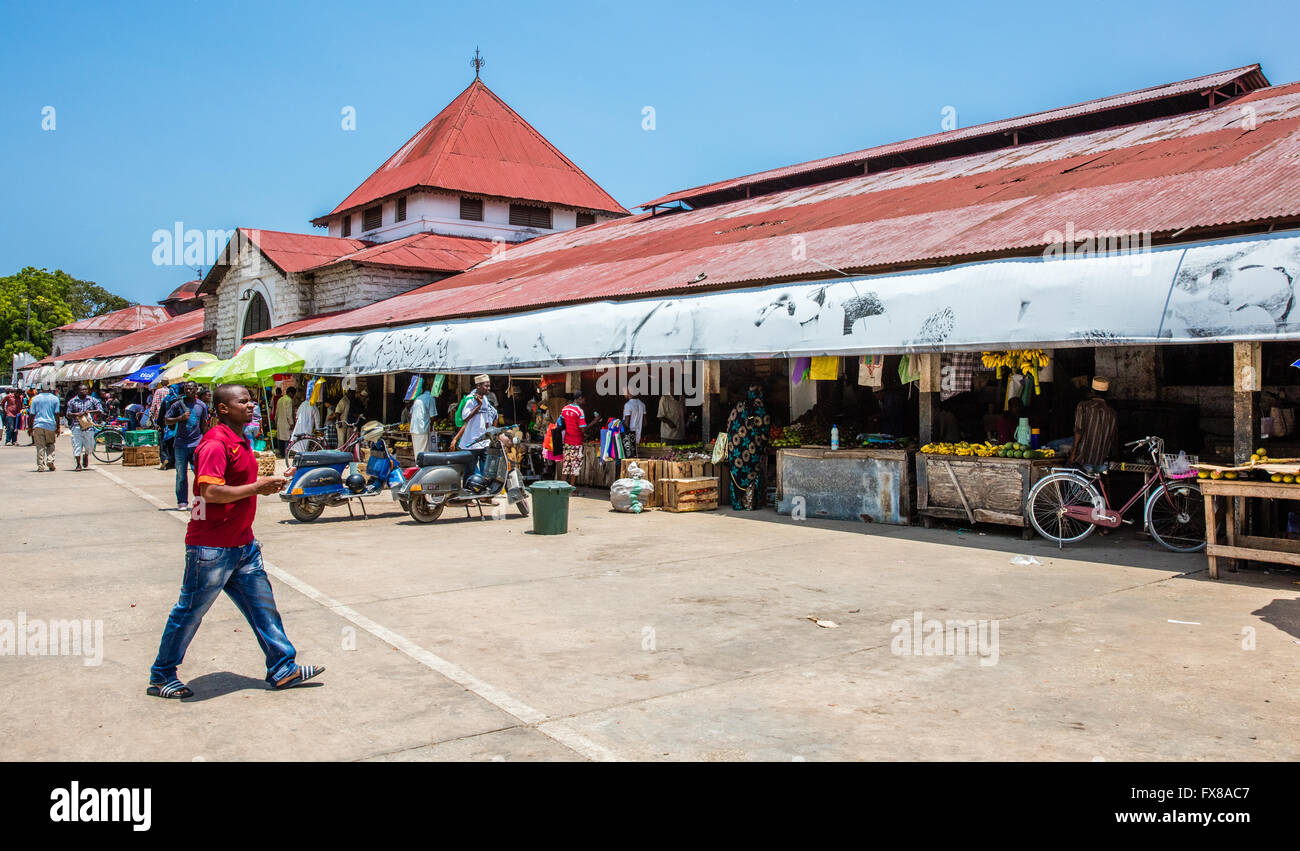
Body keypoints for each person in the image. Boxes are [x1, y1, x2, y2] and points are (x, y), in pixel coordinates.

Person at [147, 383, 323, 699]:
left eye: (251, 400)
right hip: (211, 548)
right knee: (189, 612)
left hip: (242, 545)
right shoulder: (215, 444)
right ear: (224, 408)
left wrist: (273, 480)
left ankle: (283, 669)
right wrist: (257, 487)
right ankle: (162, 676)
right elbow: (209, 492)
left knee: (263, 610)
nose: (251, 405)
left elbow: (241, 482)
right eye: (243, 401)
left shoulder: (240, 440)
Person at [724, 383, 771, 510]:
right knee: (752, 473)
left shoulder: (738, 406)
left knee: (738, 474)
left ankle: (738, 503)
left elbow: (729, 425)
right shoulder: (759, 407)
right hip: (753, 450)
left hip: (736, 450)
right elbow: (765, 427)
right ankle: (750, 503)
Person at [166, 382, 209, 511]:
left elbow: (203, 425)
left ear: (196, 390)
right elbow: (166, 420)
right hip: (180, 444)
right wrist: (180, 418)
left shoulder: (201, 405)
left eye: (191, 388)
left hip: (196, 444)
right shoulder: (177, 404)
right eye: (186, 388)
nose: (189, 390)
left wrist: (207, 440)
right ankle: (182, 501)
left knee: (200, 473)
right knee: (181, 475)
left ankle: (200, 500)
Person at [1069, 376, 1118, 472]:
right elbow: (1114, 439)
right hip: (1101, 461)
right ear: (1107, 393)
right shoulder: (1112, 413)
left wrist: (1073, 454)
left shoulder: (1083, 406)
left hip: (1083, 459)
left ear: (1092, 391)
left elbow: (1078, 430)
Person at [558, 390, 599, 486]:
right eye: (584, 399)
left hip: (567, 441)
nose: (584, 401)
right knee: (575, 466)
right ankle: (571, 489)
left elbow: (561, 422)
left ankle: (564, 489)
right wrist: (594, 421)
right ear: (580, 398)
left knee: (566, 465)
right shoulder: (579, 411)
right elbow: (583, 429)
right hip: (576, 442)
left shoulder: (565, 409)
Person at [66, 384, 105, 471]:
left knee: (90, 446)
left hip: (89, 426)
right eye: (82, 390)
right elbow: (68, 414)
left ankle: (86, 455)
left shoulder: (92, 400)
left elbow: (100, 410)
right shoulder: (72, 401)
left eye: (85, 389)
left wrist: (89, 412)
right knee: (77, 445)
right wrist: (76, 414)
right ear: (77, 391)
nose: (84, 391)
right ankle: (78, 464)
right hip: (76, 426)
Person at [29, 385, 61, 472]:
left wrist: (30, 427)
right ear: (50, 389)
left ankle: (40, 466)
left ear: (41, 389)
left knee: (40, 446)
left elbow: (32, 414)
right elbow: (57, 414)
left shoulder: (35, 399)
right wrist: (58, 427)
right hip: (50, 425)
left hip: (38, 425)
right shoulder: (55, 399)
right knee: (50, 444)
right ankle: (50, 460)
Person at [409, 379, 437, 456]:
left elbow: (411, 413)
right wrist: (432, 427)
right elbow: (432, 416)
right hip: (422, 428)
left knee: (417, 451)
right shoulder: (431, 398)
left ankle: (418, 466)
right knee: (423, 452)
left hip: (414, 428)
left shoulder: (418, 398)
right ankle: (421, 467)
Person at [274, 386, 297, 456]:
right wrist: (291, 423)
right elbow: (289, 414)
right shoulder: (289, 400)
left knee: (280, 438)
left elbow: (276, 412)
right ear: (290, 393)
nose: (293, 396)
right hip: (286, 423)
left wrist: (276, 420)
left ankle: (281, 453)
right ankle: (286, 453)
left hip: (279, 422)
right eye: (293, 394)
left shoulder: (280, 399)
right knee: (287, 438)